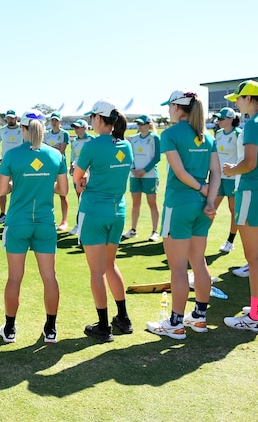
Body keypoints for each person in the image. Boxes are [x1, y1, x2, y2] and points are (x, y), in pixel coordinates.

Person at [146, 91, 220, 339]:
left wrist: (201, 189)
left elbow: (178, 172)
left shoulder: (169, 134)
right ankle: (198, 317)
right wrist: (209, 200)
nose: (168, 110)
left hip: (178, 205)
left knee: (178, 268)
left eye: (170, 106)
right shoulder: (207, 136)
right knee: (199, 263)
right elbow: (217, 174)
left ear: (178, 107)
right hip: (201, 207)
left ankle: (176, 323)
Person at [0, 109, 68, 344]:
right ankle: (51, 329)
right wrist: (46, 184)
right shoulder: (56, 156)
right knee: (50, 277)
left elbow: (0, 190)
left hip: (18, 222)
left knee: (14, 278)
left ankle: (9, 329)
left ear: (23, 129)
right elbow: (63, 191)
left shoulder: (11, 155)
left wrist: (16, 185)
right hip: (45, 223)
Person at [222, 80, 258, 334]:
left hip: (253, 193)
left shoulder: (254, 124)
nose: (235, 102)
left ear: (248, 99)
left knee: (254, 258)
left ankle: (256, 316)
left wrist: (232, 169)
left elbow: (250, 163)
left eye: (238, 98)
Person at [73, 100, 133, 342]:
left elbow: (78, 178)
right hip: (117, 212)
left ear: (99, 119)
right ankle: (123, 318)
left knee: (97, 271)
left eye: (92, 117)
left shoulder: (91, 146)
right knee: (110, 265)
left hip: (94, 212)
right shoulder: (126, 145)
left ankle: (103, 325)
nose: (90, 121)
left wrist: (83, 178)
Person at [122, 114, 161, 242]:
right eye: (138, 124)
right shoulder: (133, 139)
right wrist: (132, 169)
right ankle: (133, 229)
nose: (140, 126)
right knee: (135, 203)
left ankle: (155, 231)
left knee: (152, 203)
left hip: (149, 176)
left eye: (142, 123)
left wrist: (144, 170)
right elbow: (130, 155)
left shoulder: (154, 138)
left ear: (148, 124)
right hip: (134, 175)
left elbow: (157, 157)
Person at [212, 107, 242, 253]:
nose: (219, 121)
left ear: (231, 119)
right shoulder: (217, 134)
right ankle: (199, 238)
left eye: (222, 118)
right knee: (210, 207)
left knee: (233, 210)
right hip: (218, 178)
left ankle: (230, 241)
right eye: (218, 118)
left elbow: (244, 155)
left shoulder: (238, 134)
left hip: (233, 178)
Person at [0, 110, 23, 223]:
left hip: (20, 164)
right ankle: (2, 213)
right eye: (8, 118)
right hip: (6, 164)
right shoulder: (2, 130)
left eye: (12, 118)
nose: (10, 120)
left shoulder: (22, 129)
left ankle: (17, 213)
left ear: (16, 118)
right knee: (2, 188)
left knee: (19, 188)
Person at [44, 112, 71, 231]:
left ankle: (64, 220)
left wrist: (50, 148)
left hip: (60, 167)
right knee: (49, 193)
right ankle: (51, 219)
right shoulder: (46, 134)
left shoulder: (64, 134)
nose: (54, 122)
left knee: (62, 194)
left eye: (56, 120)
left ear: (60, 121)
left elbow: (61, 149)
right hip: (48, 167)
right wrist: (55, 147)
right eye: (52, 120)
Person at [67, 119, 95, 236]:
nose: (76, 129)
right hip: (78, 174)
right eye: (75, 127)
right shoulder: (74, 141)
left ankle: (89, 224)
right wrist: (71, 166)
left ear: (85, 128)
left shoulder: (92, 140)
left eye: (78, 127)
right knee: (80, 199)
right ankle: (79, 224)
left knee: (90, 199)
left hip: (90, 174)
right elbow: (73, 156)